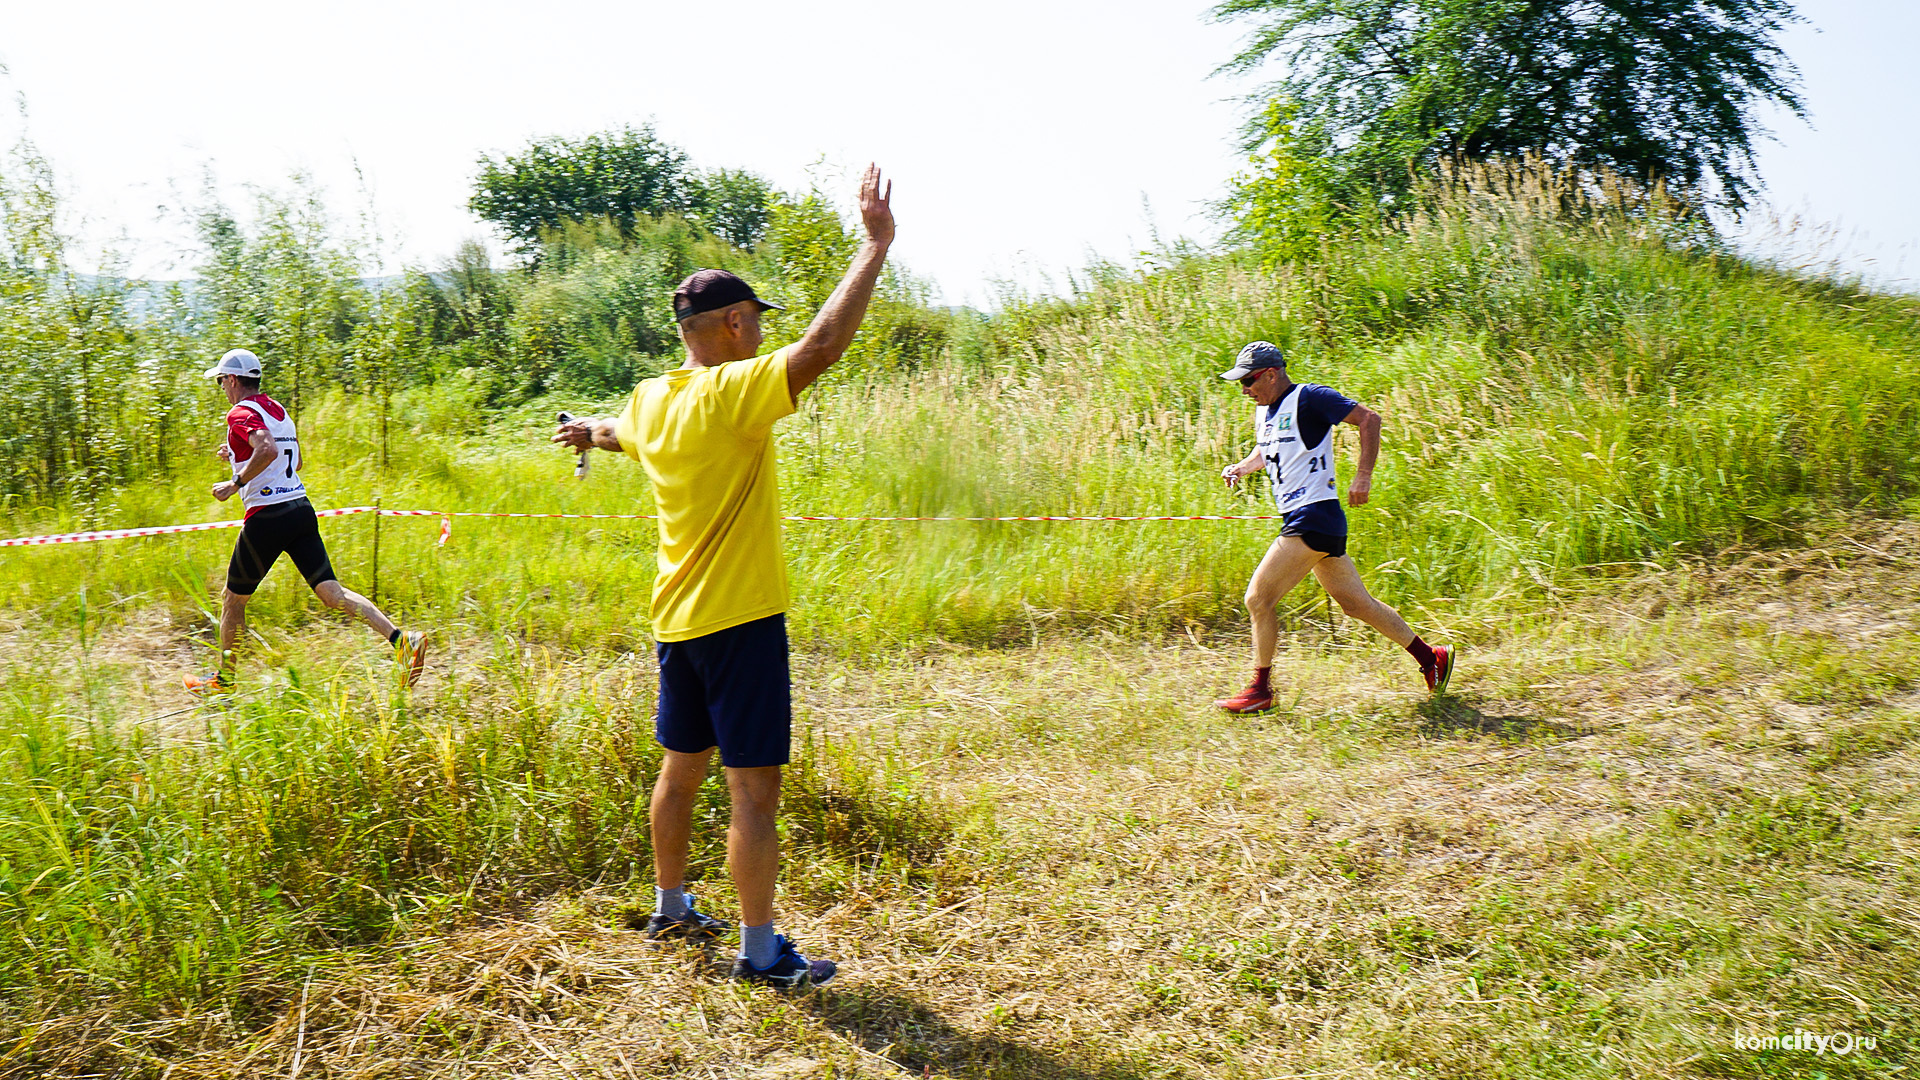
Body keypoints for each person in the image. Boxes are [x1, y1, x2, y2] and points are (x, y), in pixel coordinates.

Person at [552, 164, 895, 992]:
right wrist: (875, 245)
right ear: (736, 323)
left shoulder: (649, 399)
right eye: (753, 322)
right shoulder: (734, 394)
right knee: (753, 790)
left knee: (679, 769)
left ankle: (672, 905)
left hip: (677, 625)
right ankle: (762, 950)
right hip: (740, 622)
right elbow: (820, 348)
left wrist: (583, 433)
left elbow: (612, 431)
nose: (757, 334)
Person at [1214, 341, 1453, 712]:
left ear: (1271, 374)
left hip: (1314, 517)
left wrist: (1363, 476)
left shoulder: (1311, 398)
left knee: (1258, 599)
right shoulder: (1266, 411)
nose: (1244, 390)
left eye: (1248, 381)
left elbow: (1369, 419)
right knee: (1357, 604)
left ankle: (1260, 690)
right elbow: (1269, 449)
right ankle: (1432, 657)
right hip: (1310, 520)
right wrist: (1243, 467)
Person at [183, 349, 428, 695]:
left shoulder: (238, 413)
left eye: (221, 381)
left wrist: (234, 484)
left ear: (234, 380)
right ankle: (403, 640)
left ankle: (224, 683)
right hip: (299, 509)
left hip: (267, 517)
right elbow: (294, 462)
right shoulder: (279, 411)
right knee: (332, 593)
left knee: (233, 601)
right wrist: (237, 456)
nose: (222, 388)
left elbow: (266, 449)